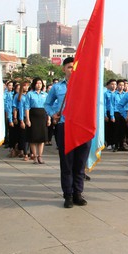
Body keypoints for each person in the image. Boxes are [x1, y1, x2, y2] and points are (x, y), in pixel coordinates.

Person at [44, 57, 91, 208]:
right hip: (65, 127)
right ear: (64, 69)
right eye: (70, 67)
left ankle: (78, 193)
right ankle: (68, 195)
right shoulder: (57, 88)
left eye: (75, 67)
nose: (73, 70)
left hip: (82, 127)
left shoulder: (85, 86)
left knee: (80, 163)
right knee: (67, 163)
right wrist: (53, 113)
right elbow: (47, 103)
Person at [25, 77, 49, 164]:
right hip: (33, 116)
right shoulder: (30, 94)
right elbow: (27, 107)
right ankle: (34, 156)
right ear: (34, 84)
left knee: (42, 138)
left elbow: (47, 107)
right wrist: (27, 119)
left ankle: (40, 156)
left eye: (40, 83)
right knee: (33, 138)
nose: (39, 85)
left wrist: (49, 118)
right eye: (37, 83)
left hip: (42, 116)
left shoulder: (45, 94)